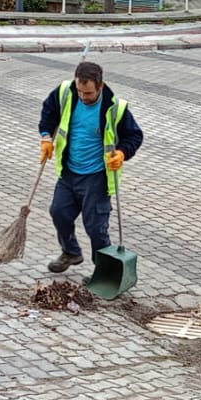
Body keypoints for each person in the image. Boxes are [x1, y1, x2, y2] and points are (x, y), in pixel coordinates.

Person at [38, 60, 144, 274]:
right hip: (69, 172)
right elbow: (49, 112)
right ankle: (70, 252)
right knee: (59, 212)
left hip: (96, 178)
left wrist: (122, 153)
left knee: (96, 227)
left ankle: (104, 273)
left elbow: (134, 136)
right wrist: (46, 137)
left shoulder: (115, 109)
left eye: (88, 93)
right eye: (80, 91)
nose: (83, 97)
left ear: (100, 86)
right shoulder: (65, 93)